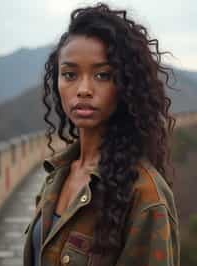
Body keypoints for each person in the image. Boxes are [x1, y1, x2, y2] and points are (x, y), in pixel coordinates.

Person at [23, 3, 180, 266]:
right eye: (70, 74)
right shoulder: (57, 175)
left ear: (126, 85)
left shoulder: (145, 195)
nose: (83, 89)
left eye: (103, 75)